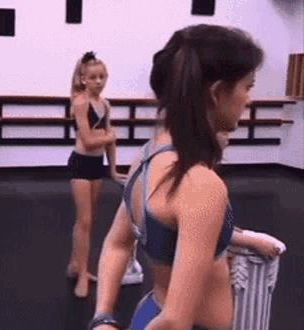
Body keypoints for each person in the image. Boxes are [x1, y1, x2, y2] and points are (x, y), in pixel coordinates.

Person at [89, 24, 268, 330]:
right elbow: (175, 321)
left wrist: (103, 317)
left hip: (148, 314)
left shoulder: (146, 158)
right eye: (247, 87)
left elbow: (118, 245)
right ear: (216, 93)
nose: (249, 99)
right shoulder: (201, 185)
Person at [66, 51, 127, 298]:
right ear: (83, 79)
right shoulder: (80, 103)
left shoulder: (105, 105)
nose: (99, 81)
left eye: (102, 77)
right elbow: (90, 140)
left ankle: (75, 264)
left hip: (97, 166)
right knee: (85, 221)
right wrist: (110, 136)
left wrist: (113, 169)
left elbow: (108, 142)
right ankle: (82, 275)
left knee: (87, 222)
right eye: (93, 77)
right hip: (81, 164)